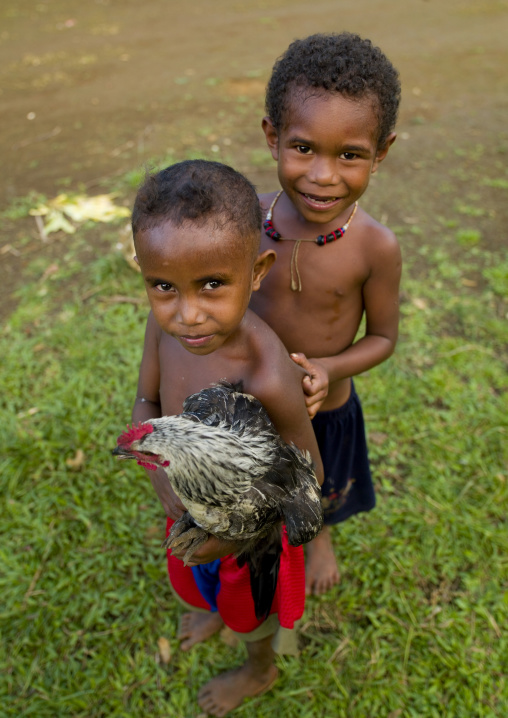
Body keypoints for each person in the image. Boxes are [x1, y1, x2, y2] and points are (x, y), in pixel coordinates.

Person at [130, 159, 324, 717]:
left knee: (251, 614)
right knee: (199, 583)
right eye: (163, 286)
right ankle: (213, 610)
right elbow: (146, 402)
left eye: (213, 284)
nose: (187, 313)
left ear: (257, 270)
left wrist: (235, 538)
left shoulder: (265, 375)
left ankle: (256, 669)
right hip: (187, 511)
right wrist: (157, 469)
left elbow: (308, 487)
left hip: (251, 541)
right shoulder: (163, 330)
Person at [249, 32, 402, 596]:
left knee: (320, 489)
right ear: (273, 137)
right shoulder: (245, 223)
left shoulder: (374, 247)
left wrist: (330, 369)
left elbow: (383, 338)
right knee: (258, 496)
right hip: (255, 402)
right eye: (304, 148)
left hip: (326, 410)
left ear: (380, 153)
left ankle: (321, 538)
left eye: (350, 155)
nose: (322, 175)